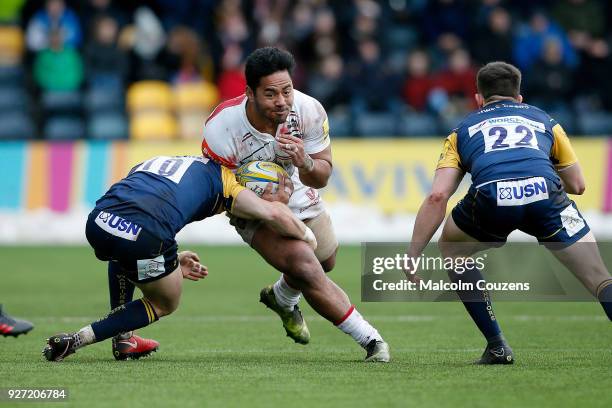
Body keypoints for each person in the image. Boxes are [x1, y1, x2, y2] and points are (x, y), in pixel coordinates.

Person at [405, 61, 612, 364]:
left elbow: (438, 196)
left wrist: (413, 253)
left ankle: (497, 346)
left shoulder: (461, 130)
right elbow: (578, 185)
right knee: (600, 278)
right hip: (545, 195)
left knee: (452, 249)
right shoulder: (545, 121)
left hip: (492, 199)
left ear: (478, 99)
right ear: (519, 98)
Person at [201, 47, 389, 362]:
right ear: (250, 93)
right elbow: (218, 191)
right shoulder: (222, 127)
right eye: (271, 94)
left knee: (325, 261)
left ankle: (281, 297)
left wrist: (305, 162)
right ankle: (372, 341)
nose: (282, 101)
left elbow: (322, 175)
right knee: (305, 265)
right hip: (248, 204)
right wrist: (263, 202)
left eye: (287, 90)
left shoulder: (309, 110)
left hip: (297, 187)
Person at [43, 155, 317, 361]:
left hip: (99, 221)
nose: (283, 204)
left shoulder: (168, 162)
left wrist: (170, 264)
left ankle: (124, 340)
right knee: (165, 302)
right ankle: (77, 339)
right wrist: (309, 238)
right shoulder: (230, 184)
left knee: (124, 253)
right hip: (146, 235)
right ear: (258, 190)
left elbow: (140, 199)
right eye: (281, 197)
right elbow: (273, 215)